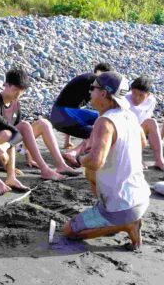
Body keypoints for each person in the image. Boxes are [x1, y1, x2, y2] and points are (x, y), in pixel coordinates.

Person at [63, 72, 149, 250]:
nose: (90, 93)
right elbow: (142, 142)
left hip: (124, 206)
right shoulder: (128, 115)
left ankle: (125, 225)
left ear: (103, 93)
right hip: (141, 196)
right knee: (90, 173)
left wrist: (79, 158)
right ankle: (112, 213)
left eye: (92, 88)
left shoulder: (105, 122)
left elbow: (95, 162)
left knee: (69, 231)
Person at [0, 67, 81, 180]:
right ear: (6, 84)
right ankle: (45, 170)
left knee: (44, 123)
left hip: (11, 146)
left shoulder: (15, 103)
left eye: (22, 90)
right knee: (23, 125)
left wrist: (28, 156)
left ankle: (61, 165)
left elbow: (19, 134)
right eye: (16, 89)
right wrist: (8, 166)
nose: (19, 93)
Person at [49, 62, 113, 151]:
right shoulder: (94, 82)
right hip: (62, 114)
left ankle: (78, 150)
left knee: (97, 121)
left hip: (57, 115)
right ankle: (76, 153)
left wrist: (67, 141)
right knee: (101, 124)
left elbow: (73, 108)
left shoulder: (86, 81)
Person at [125, 76, 164, 171]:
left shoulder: (151, 101)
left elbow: (146, 119)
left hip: (139, 132)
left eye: (141, 95)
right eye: (134, 93)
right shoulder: (124, 99)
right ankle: (137, 159)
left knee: (152, 122)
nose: (136, 98)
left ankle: (159, 159)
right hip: (125, 131)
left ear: (147, 95)